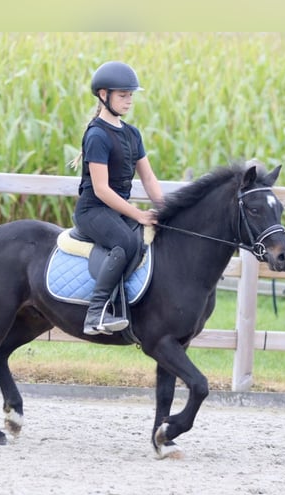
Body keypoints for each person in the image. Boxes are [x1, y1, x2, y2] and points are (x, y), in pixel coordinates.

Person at [72, 61, 164, 336]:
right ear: (104, 95)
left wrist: (165, 209)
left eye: (131, 95)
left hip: (116, 209)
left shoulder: (132, 133)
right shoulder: (98, 135)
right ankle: (96, 312)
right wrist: (138, 214)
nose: (129, 101)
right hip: (94, 210)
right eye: (123, 95)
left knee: (142, 240)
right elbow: (101, 189)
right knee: (124, 242)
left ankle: (127, 306)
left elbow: (148, 178)